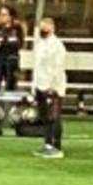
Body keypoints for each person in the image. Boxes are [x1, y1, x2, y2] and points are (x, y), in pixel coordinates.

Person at [32, 16, 67, 159]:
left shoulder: (57, 46)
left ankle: (56, 146)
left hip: (53, 87)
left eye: (45, 27)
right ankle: (47, 144)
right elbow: (38, 66)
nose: (42, 29)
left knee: (54, 117)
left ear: (52, 28)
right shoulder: (40, 44)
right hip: (40, 85)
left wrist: (53, 86)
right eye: (41, 27)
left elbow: (57, 67)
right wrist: (35, 85)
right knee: (45, 117)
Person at [0, 5, 25, 104]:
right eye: (0, 15)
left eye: (4, 15)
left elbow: (19, 43)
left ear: (10, 16)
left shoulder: (17, 28)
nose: (2, 17)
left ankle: (10, 107)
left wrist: (3, 42)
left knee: (11, 85)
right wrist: (7, 42)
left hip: (11, 60)